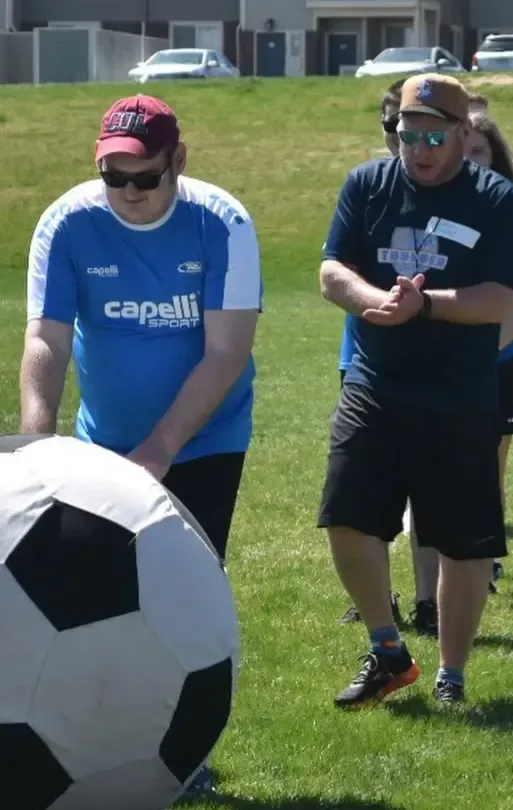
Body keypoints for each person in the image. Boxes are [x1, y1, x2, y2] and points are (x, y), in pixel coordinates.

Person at [19, 93, 262, 799]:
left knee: (181, 606)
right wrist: (38, 447)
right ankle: (78, 745)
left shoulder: (223, 222)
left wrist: (160, 449)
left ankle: (184, 757)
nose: (128, 192)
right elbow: (46, 338)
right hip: (101, 446)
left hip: (206, 441)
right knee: (75, 601)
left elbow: (226, 352)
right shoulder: (67, 222)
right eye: (113, 176)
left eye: (145, 177)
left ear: (177, 160)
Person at [316, 73, 513, 706]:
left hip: (460, 395)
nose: (419, 150)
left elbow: (500, 299)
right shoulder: (367, 184)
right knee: (346, 519)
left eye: (435, 138)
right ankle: (388, 650)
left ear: (464, 134)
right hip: (375, 383)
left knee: (463, 544)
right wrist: (372, 299)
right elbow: (332, 270)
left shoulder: (496, 199)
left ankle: (451, 674)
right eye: (408, 135)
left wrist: (425, 303)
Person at [335, 77, 440, 636]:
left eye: (420, 130)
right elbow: (337, 269)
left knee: (428, 492)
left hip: (434, 369)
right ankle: (376, 596)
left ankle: (429, 600)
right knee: (365, 491)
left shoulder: (448, 190)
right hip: (365, 359)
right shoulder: (369, 188)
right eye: (393, 128)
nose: (402, 139)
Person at [462, 112, 513, 589]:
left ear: (496, 157)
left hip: (501, 359)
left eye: (479, 151)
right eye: (463, 150)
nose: (470, 160)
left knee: (488, 463)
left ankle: (486, 556)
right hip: (445, 360)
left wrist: (479, 352)